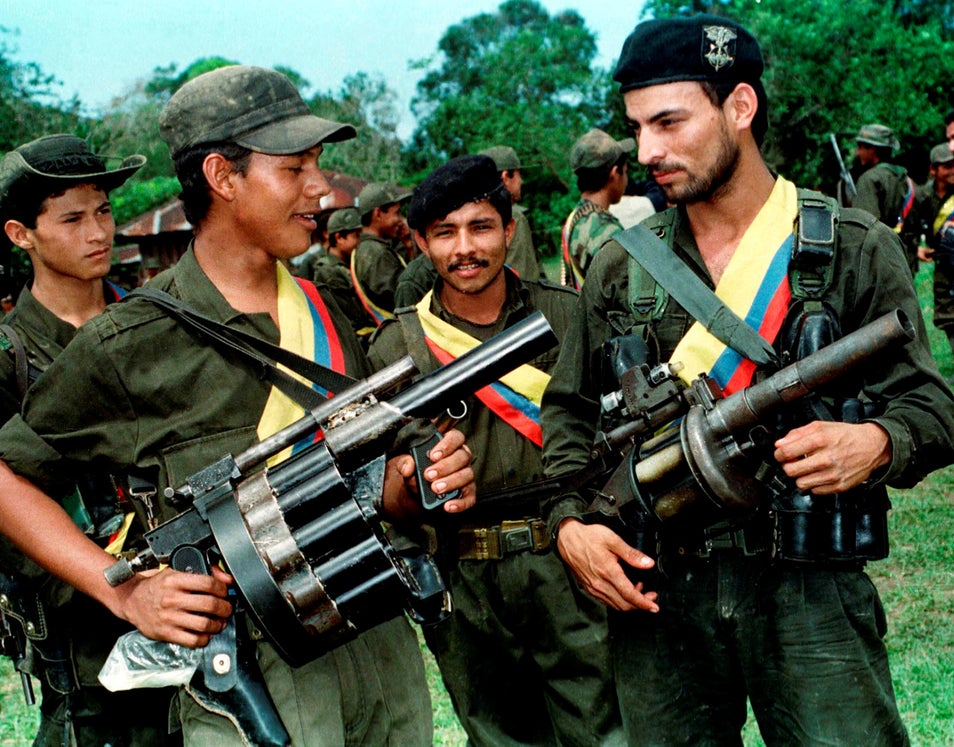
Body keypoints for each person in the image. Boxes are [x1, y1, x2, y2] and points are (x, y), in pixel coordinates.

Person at [0, 65, 476, 746]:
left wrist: (408, 484)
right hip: (256, 673)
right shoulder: (133, 340)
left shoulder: (322, 310)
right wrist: (120, 589)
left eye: (318, 164)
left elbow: (370, 467)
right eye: (295, 167)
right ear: (222, 176)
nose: (321, 187)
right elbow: (0, 480)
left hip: (375, 642)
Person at [541, 15, 954, 746]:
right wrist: (570, 524)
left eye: (669, 122)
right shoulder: (620, 265)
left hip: (809, 575)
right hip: (659, 585)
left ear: (740, 107)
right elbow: (571, 415)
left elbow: (933, 405)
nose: (648, 152)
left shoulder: (852, 248)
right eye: (636, 128)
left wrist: (876, 442)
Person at [368, 154, 622, 746]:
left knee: (606, 730)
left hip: (569, 559)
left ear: (509, 230)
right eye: (444, 233)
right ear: (420, 243)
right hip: (465, 580)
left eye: (481, 227)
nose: (465, 248)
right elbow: (379, 480)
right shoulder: (394, 350)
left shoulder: (565, 313)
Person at [0, 134, 176, 745]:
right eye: (71, 218)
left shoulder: (153, 323)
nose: (98, 232)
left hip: (198, 598)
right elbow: (0, 517)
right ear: (22, 234)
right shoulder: (2, 363)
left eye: (103, 211)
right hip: (87, 645)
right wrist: (113, 578)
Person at [561, 128, 633, 289]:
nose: (627, 179)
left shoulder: (576, 217)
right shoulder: (605, 229)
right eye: (626, 172)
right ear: (615, 174)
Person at [852, 123, 919, 267]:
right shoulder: (905, 178)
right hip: (906, 258)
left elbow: (865, 228)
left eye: (861, 147)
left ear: (873, 149)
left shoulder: (869, 179)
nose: (857, 153)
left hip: (880, 262)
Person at [312, 206, 376, 343]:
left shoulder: (347, 263)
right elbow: (352, 316)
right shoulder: (329, 271)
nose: (359, 241)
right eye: (355, 236)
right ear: (339, 237)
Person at [478, 145, 542, 281]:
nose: (522, 181)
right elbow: (524, 281)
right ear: (505, 176)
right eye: (519, 174)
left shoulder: (472, 217)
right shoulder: (514, 218)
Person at [352, 181, 412, 323]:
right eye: (396, 213)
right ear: (378, 213)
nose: (400, 220)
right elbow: (405, 297)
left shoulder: (370, 247)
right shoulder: (376, 252)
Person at [916, 143, 954, 357]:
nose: (952, 171)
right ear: (934, 169)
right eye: (947, 166)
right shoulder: (922, 196)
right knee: (948, 316)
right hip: (944, 266)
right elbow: (905, 222)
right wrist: (917, 250)